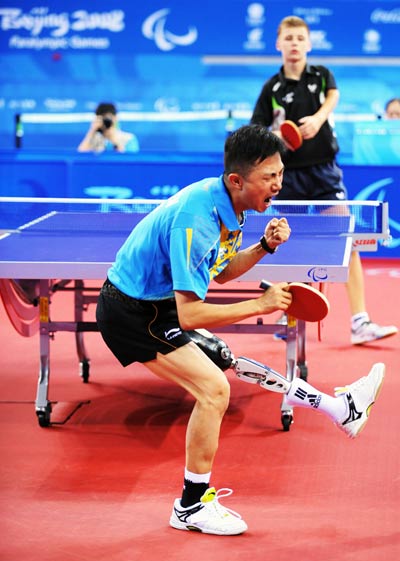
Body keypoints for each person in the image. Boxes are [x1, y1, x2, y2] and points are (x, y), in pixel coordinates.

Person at [96, 124, 385, 536]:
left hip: (157, 307)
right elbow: (191, 314)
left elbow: (223, 272)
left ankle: (340, 410)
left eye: (280, 174)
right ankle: (191, 506)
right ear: (237, 179)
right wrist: (261, 305)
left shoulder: (232, 205)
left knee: (226, 361)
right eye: (270, 178)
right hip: (131, 313)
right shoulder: (196, 220)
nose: (279, 185)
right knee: (214, 390)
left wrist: (264, 247)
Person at [251, 15, 398, 346]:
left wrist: (318, 119)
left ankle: (360, 322)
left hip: (324, 172)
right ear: (278, 44)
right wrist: (276, 135)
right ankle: (287, 316)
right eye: (288, 38)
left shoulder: (321, 76)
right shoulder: (271, 89)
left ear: (309, 44)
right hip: (286, 176)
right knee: (285, 246)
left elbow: (333, 95)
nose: (294, 43)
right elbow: (258, 129)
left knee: (347, 241)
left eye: (300, 38)